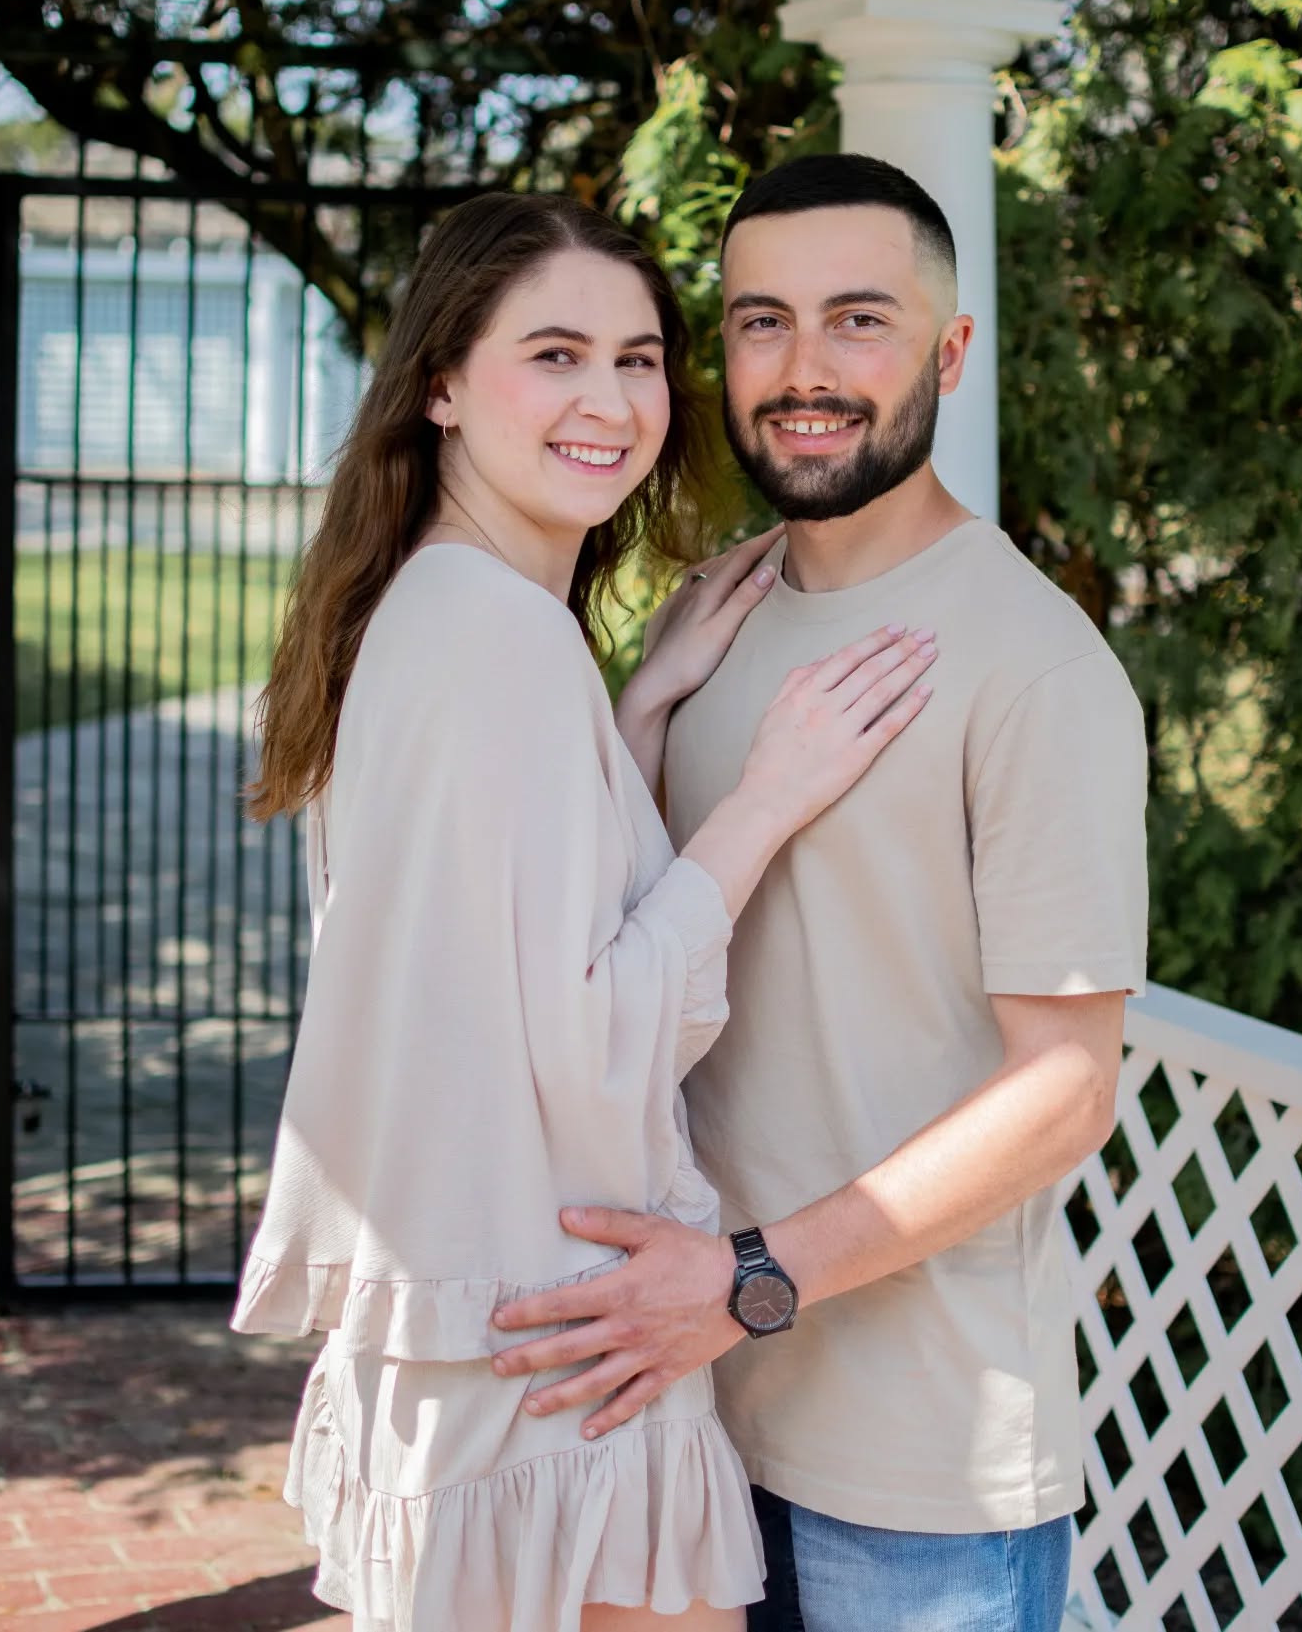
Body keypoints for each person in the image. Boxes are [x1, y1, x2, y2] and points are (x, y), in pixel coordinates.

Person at [231, 190, 938, 1632]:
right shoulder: (496, 637)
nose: (611, 400)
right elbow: (597, 1028)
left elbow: (501, 922)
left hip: (481, 1345)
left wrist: (635, 708)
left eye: (635, 359)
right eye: (553, 354)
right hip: (562, 1360)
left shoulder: (437, 608)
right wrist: (765, 798)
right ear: (441, 380)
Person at [488, 155, 1150, 1632]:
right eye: (760, 320)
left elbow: (1066, 1090)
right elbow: (626, 945)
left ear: (950, 351)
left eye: (859, 320)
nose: (802, 370)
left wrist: (744, 1282)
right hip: (688, 1406)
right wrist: (647, 710)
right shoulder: (710, 612)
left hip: (915, 1475)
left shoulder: (1034, 667)